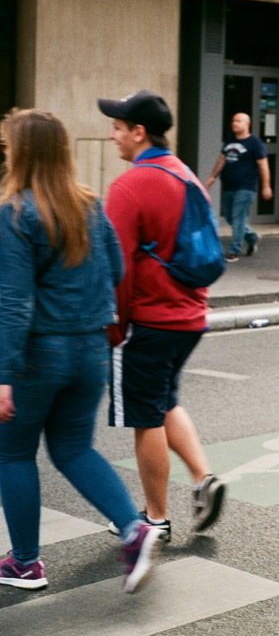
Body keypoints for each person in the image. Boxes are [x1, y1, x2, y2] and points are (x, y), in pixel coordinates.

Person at [0, 109, 163, 593]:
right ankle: (134, 530)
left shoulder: (15, 212)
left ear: (22, 152)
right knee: (73, 447)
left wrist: (4, 372)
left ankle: (25, 563)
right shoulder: (89, 205)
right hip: (90, 350)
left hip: (37, 356)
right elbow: (116, 270)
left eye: (8, 144)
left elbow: (13, 301)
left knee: (12, 454)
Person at [97, 89, 226, 543]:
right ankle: (204, 479)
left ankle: (154, 519)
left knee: (145, 417)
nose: (111, 135)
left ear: (139, 132)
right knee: (164, 400)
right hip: (189, 316)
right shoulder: (184, 175)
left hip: (148, 322)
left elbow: (118, 269)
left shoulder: (129, 186)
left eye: (117, 127)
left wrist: (114, 329)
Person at [204, 113, 272, 262]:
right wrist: (212, 177)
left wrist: (266, 186)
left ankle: (234, 251)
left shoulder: (255, 143)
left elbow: (263, 165)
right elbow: (222, 159)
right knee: (229, 217)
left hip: (246, 187)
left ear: (247, 124)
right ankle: (252, 236)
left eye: (238, 121)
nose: (234, 123)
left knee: (239, 218)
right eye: (233, 120)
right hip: (229, 186)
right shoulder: (230, 140)